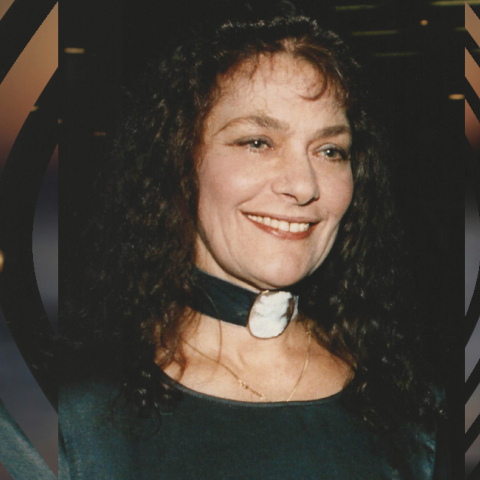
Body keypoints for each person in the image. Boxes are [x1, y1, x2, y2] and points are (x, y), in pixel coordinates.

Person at [59, 1, 449, 478]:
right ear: (180, 160)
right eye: (257, 142)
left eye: (330, 150)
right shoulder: (72, 417)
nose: (303, 185)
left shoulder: (416, 409)